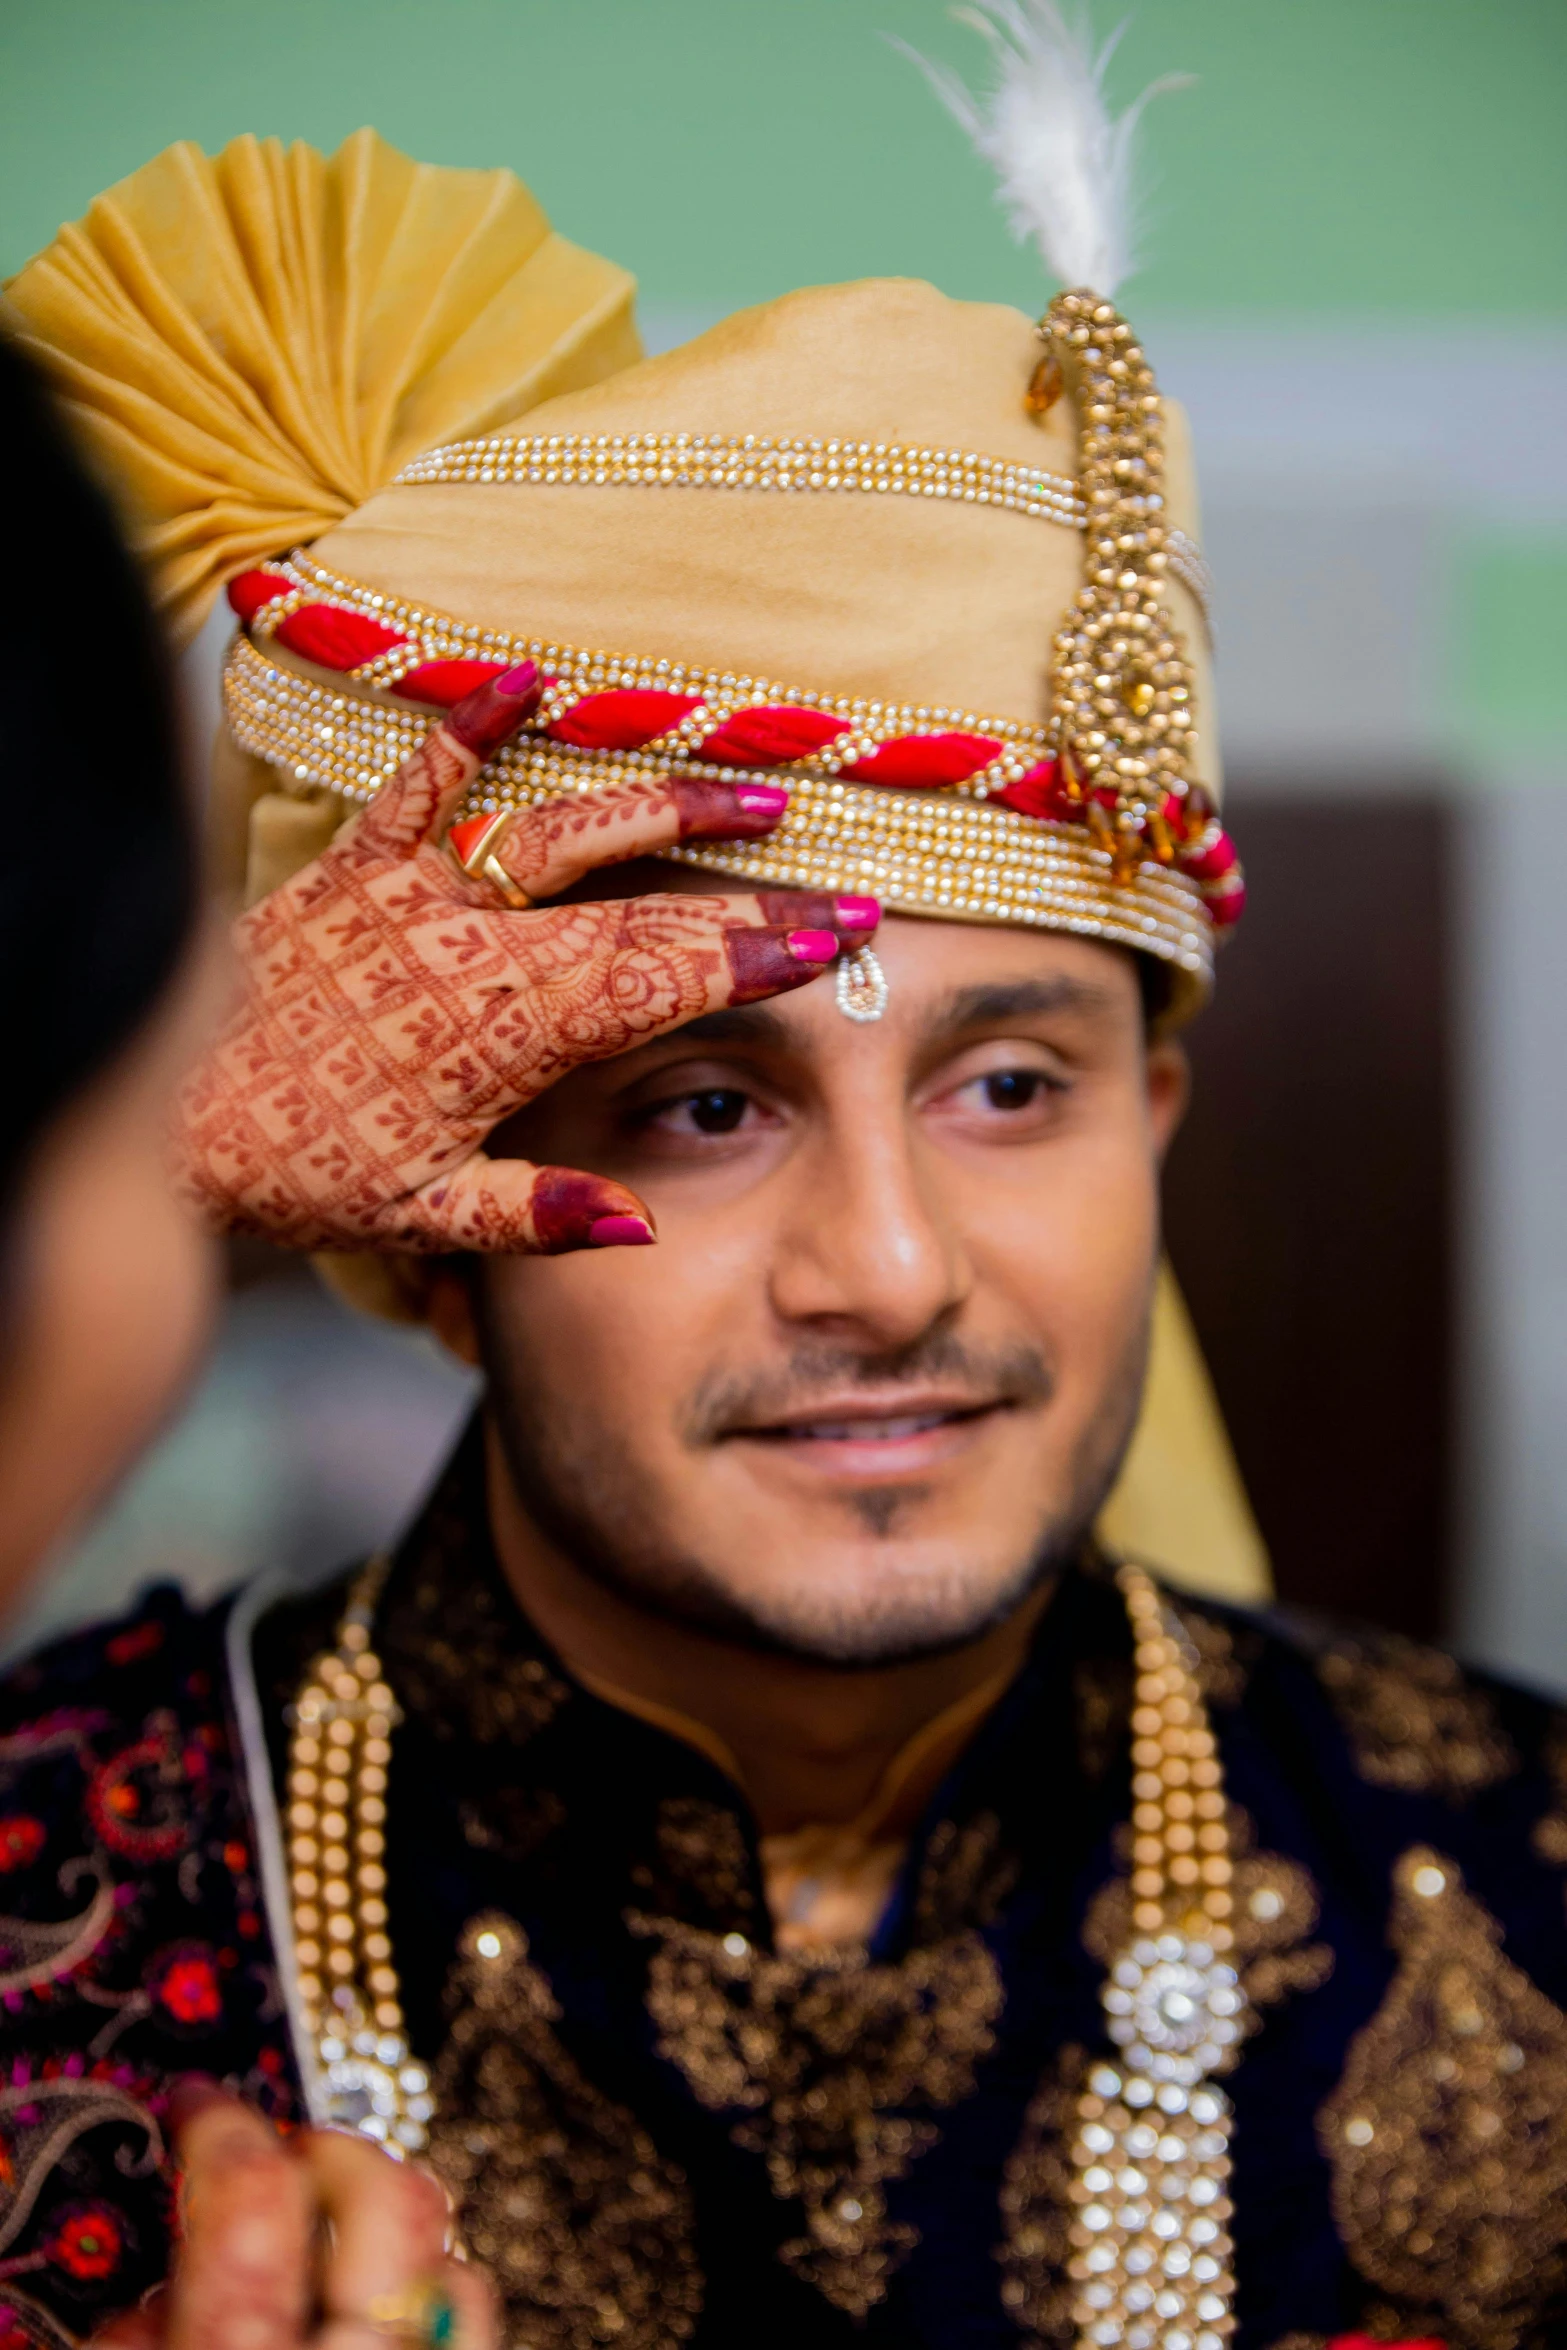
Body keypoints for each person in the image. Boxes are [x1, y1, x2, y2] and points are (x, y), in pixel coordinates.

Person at [7, 21, 1567, 2350]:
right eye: (702, 1105)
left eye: (1014, 1082)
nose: (892, 1271)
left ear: (1161, 1113)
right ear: (416, 1221)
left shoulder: (1522, 1885)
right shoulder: (59, 1882)